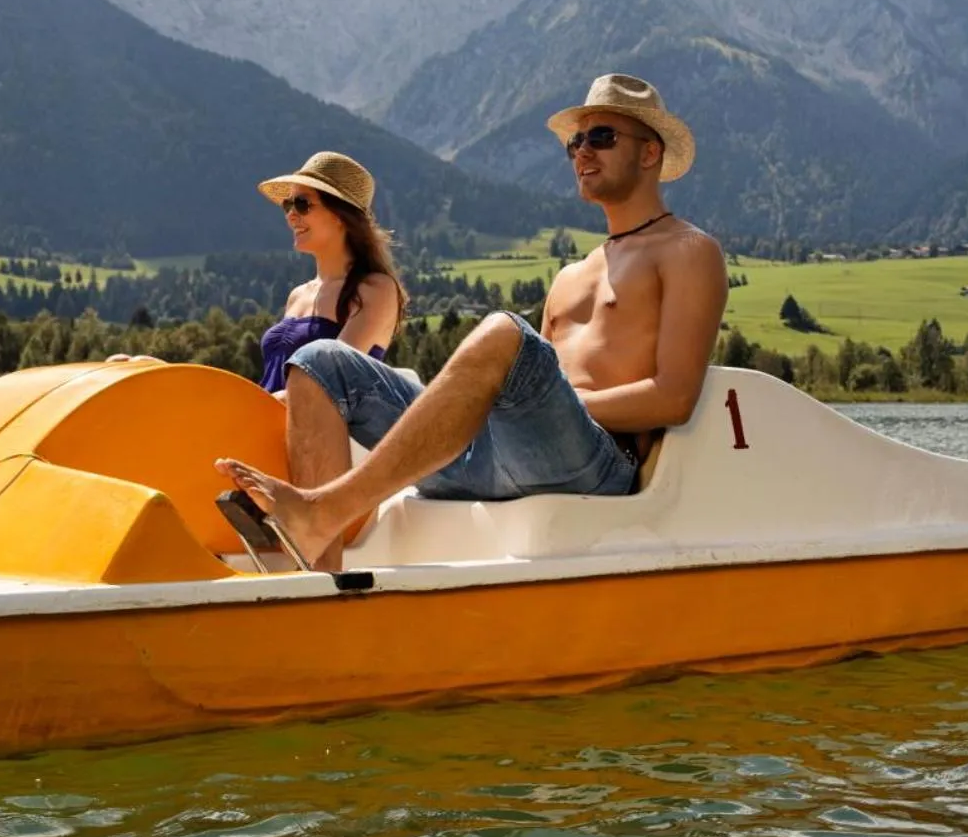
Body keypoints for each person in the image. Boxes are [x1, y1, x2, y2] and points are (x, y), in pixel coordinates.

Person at [218, 72, 729, 571]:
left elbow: (673, 398)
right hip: (501, 451)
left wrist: (521, 405)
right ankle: (322, 581)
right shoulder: (571, 276)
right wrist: (491, 410)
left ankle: (325, 509)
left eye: (602, 137)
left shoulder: (687, 250)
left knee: (505, 332)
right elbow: (531, 385)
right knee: (320, 360)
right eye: (575, 143)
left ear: (649, 153)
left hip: (594, 463)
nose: (582, 153)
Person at [254, 151, 404, 400]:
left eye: (302, 204)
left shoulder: (374, 290)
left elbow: (328, 383)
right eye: (288, 205)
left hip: (304, 424)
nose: (291, 215)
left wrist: (254, 405)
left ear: (339, 215)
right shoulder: (297, 296)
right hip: (268, 419)